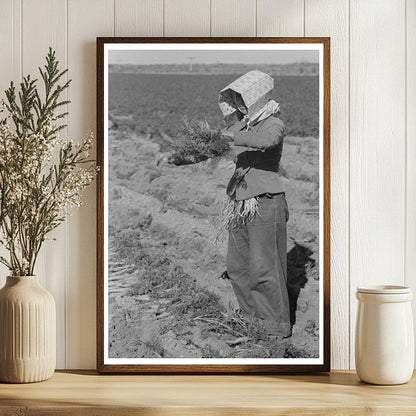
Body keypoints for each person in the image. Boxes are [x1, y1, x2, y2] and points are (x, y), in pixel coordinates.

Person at [218, 70, 291, 338]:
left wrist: (233, 137)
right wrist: (182, 156)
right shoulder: (242, 125)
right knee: (238, 264)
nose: (239, 106)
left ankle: (273, 326)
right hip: (239, 200)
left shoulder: (273, 123)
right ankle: (251, 318)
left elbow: (266, 142)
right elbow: (219, 143)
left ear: (256, 98)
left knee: (263, 266)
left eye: (243, 100)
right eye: (235, 100)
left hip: (265, 200)